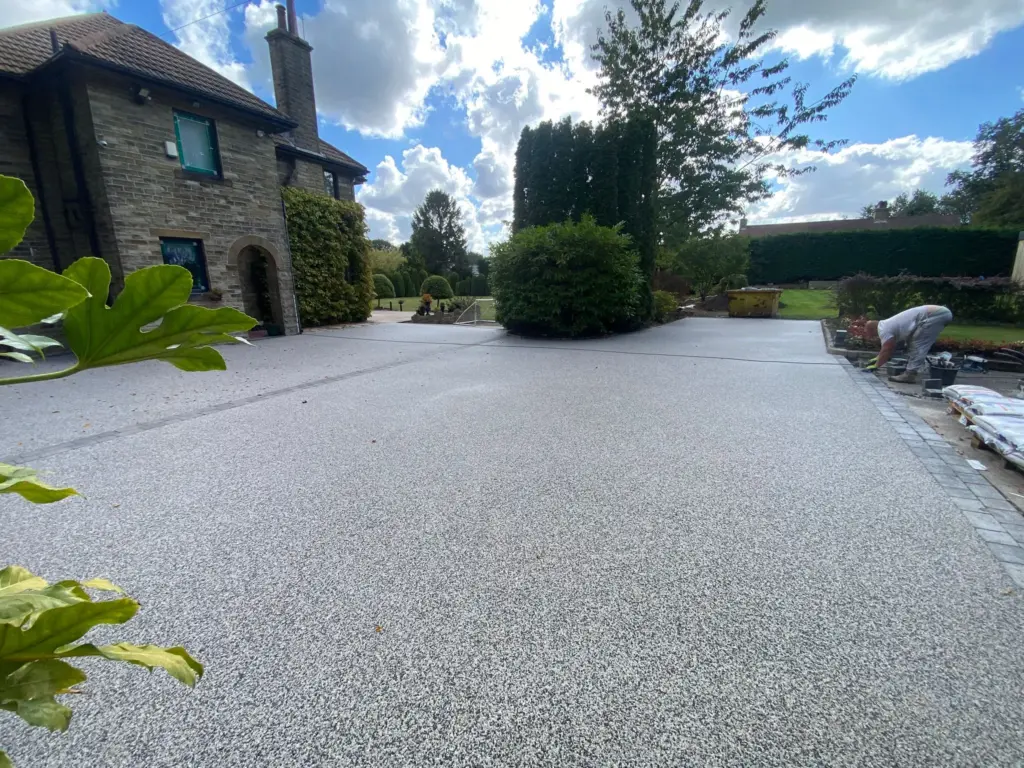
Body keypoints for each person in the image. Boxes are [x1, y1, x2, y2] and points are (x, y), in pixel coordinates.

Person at [863, 305, 953, 382]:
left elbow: (888, 348)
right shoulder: (886, 325)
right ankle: (912, 370)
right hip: (937, 313)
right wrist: (878, 358)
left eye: (869, 334)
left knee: (917, 344)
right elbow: (890, 347)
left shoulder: (883, 330)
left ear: (872, 329)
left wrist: (876, 365)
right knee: (912, 342)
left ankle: (910, 374)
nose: (870, 337)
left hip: (935, 315)